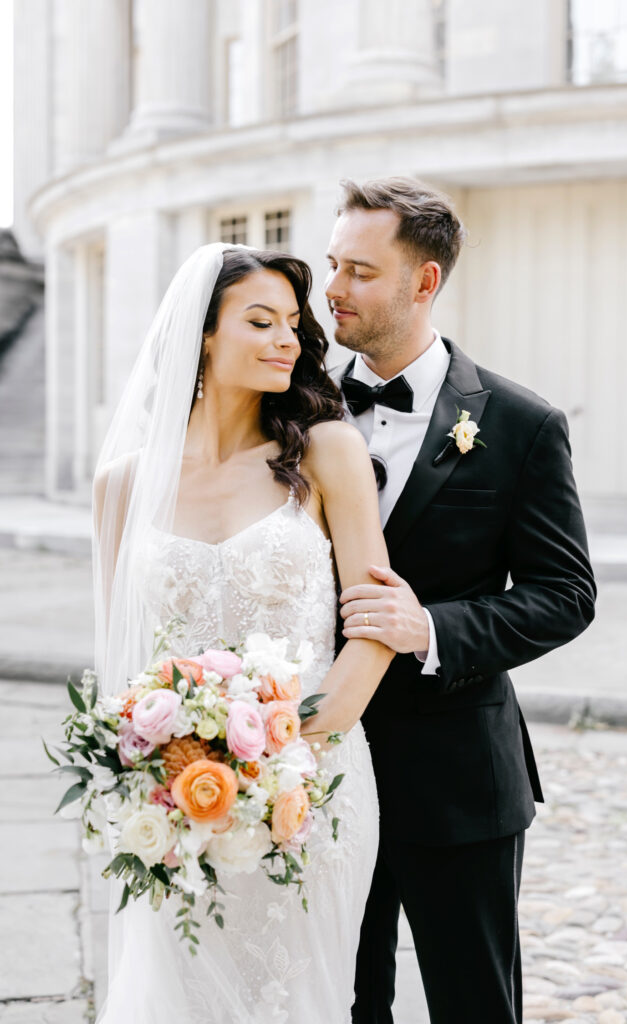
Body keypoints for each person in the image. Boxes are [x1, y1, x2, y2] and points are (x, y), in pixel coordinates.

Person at [92, 243, 395, 1023]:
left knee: (298, 997)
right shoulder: (122, 485)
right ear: (201, 334)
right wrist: (145, 781)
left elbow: (374, 622)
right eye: (260, 322)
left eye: (293, 323)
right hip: (174, 800)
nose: (288, 339)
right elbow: (124, 661)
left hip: (310, 790)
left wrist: (289, 754)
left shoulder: (328, 451)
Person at [324, 177, 597, 1024]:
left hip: (458, 783)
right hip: (318, 776)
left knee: (475, 1004)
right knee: (336, 1002)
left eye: (359, 271)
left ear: (424, 282)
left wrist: (429, 629)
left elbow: (565, 594)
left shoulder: (519, 422)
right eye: (332, 265)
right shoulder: (290, 407)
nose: (331, 289)